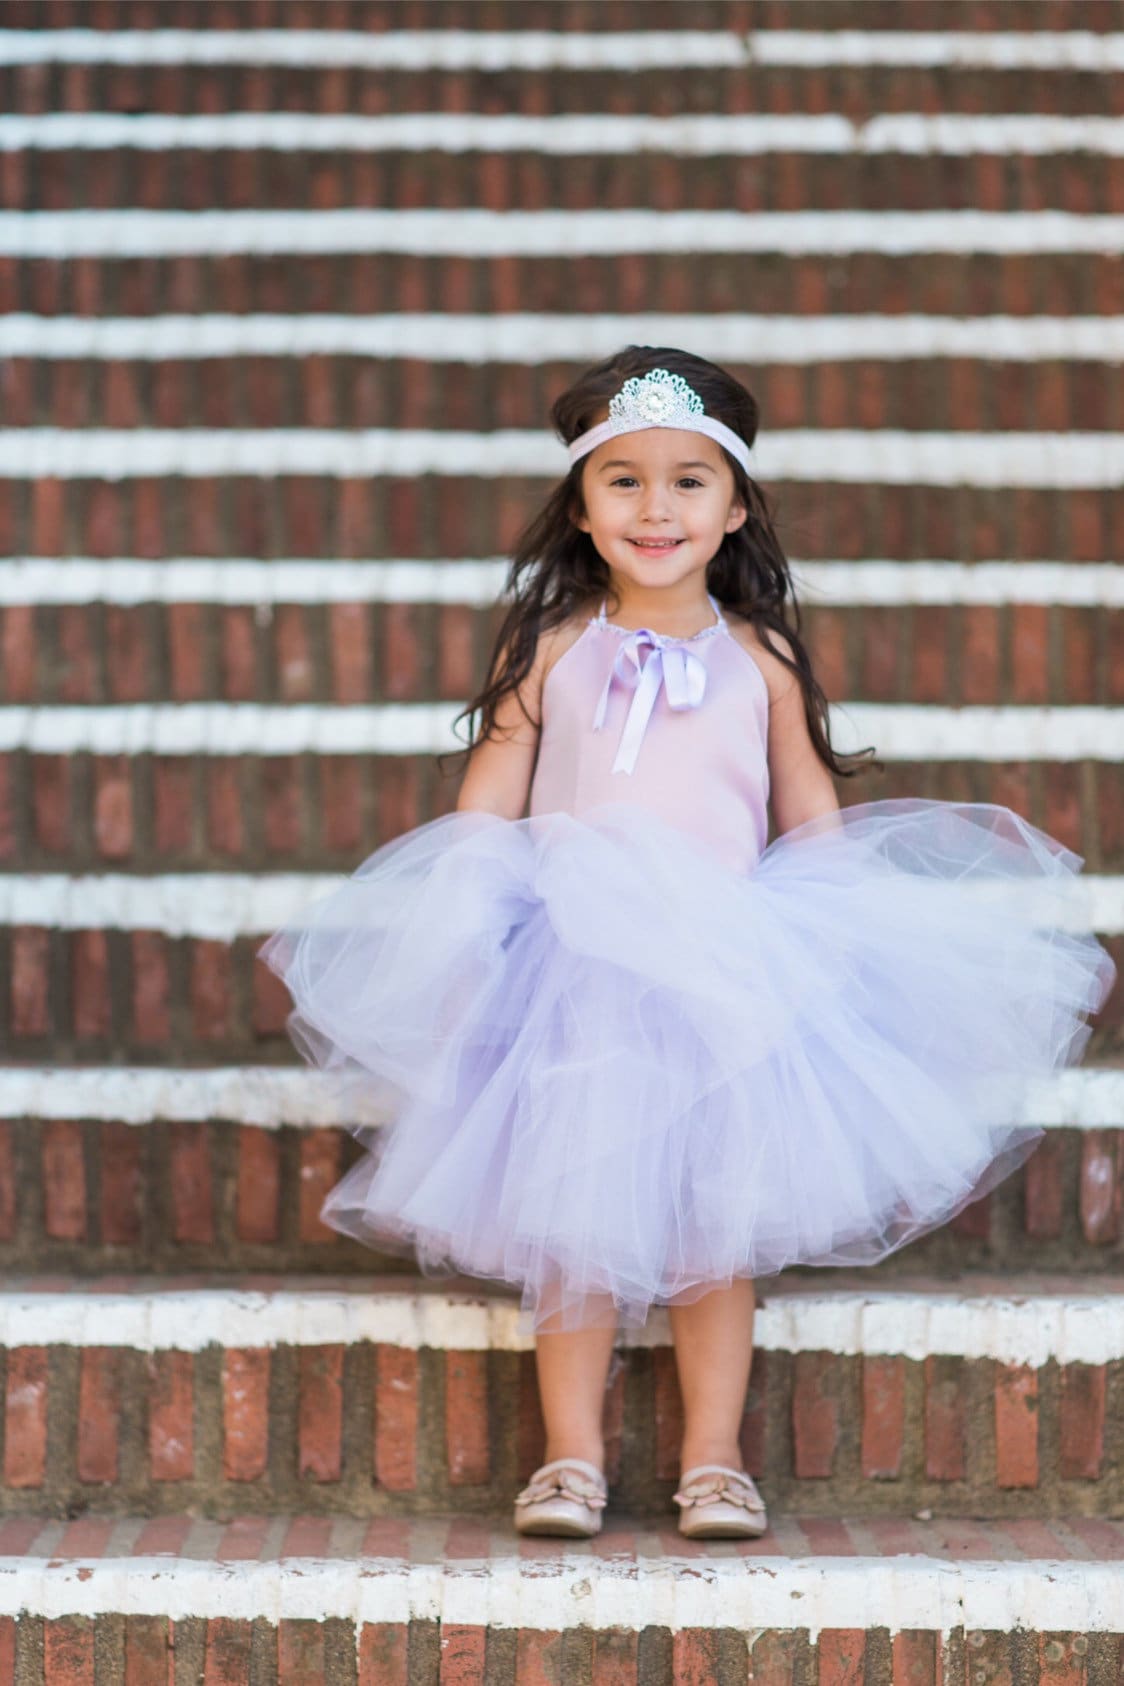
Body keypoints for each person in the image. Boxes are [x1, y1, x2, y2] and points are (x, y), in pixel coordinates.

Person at [258, 348, 1116, 1542]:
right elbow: (486, 799)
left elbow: (805, 810)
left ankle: (713, 1460)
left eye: (687, 482)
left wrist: (833, 931)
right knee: (570, 1230)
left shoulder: (756, 658)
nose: (654, 508)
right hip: (574, 976)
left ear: (737, 505)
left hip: (722, 977)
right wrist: (466, 910)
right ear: (578, 506)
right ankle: (570, 1460)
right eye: (622, 481)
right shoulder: (552, 649)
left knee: (720, 1226)